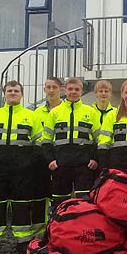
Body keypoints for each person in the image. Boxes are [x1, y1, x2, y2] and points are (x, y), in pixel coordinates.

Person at [0, 81, 42, 254]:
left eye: (16, 91)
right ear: (4, 94)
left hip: (22, 171)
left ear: (22, 94)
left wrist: (28, 163)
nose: (13, 93)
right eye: (10, 90)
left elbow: (39, 143)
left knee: (21, 206)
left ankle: (23, 242)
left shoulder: (32, 116)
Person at [41, 77, 99, 209]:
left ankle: (82, 228)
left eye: (76, 89)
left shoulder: (90, 112)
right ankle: (60, 228)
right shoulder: (55, 112)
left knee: (84, 202)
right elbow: (46, 140)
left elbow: (99, 139)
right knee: (60, 202)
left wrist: (94, 159)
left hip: (84, 166)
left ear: (81, 91)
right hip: (61, 165)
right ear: (64, 90)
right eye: (70, 89)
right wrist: (50, 160)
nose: (73, 92)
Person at [31, 76, 63, 237]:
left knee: (60, 195)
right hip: (43, 158)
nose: (51, 90)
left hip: (62, 158)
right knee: (40, 194)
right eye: (48, 87)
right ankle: (40, 232)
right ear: (44, 90)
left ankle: (60, 228)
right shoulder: (36, 113)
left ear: (61, 90)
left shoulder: (66, 110)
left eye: (54, 87)